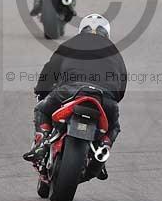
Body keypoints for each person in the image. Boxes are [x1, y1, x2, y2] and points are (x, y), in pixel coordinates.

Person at [23, 14, 127, 179]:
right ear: (106, 33)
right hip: (104, 98)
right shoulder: (114, 50)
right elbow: (122, 85)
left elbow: (50, 70)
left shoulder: (71, 43)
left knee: (41, 110)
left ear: (82, 30)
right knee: (114, 126)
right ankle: (103, 149)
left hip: (70, 91)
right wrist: (111, 99)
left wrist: (41, 91)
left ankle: (42, 143)